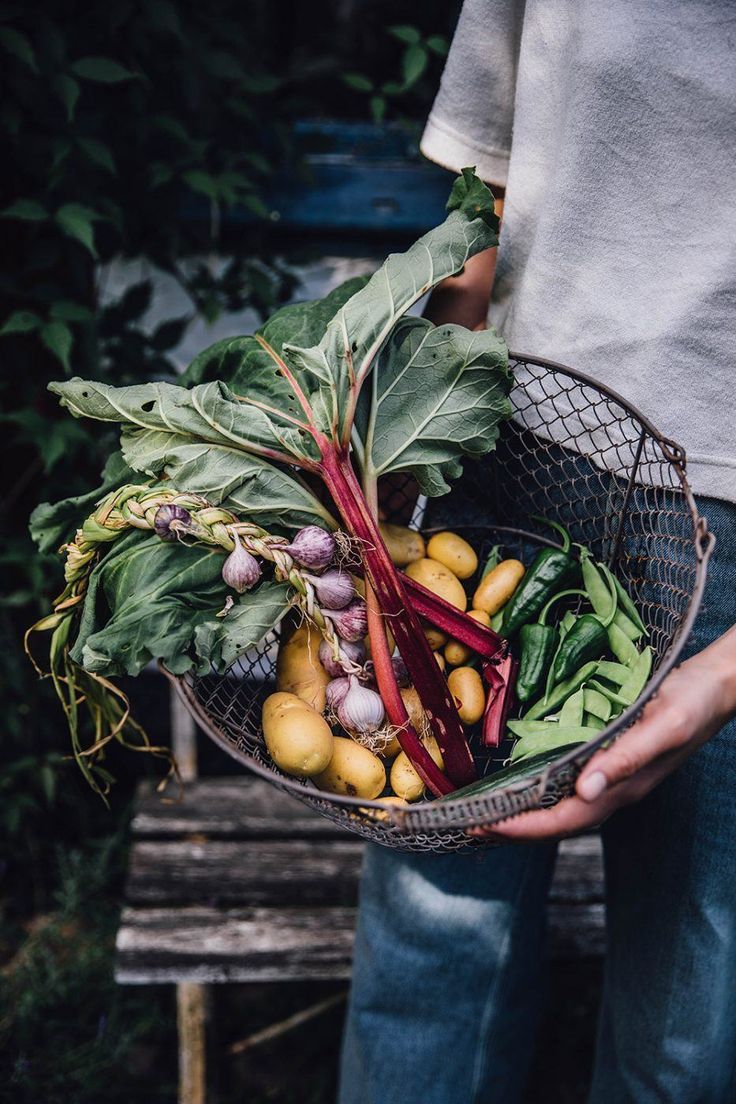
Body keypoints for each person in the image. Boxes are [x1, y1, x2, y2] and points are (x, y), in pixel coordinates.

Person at [339, 2, 736, 1101]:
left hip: (728, 517)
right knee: (431, 958)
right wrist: (400, 460)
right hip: (506, 458)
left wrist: (726, 677)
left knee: (690, 1014)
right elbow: (487, 196)